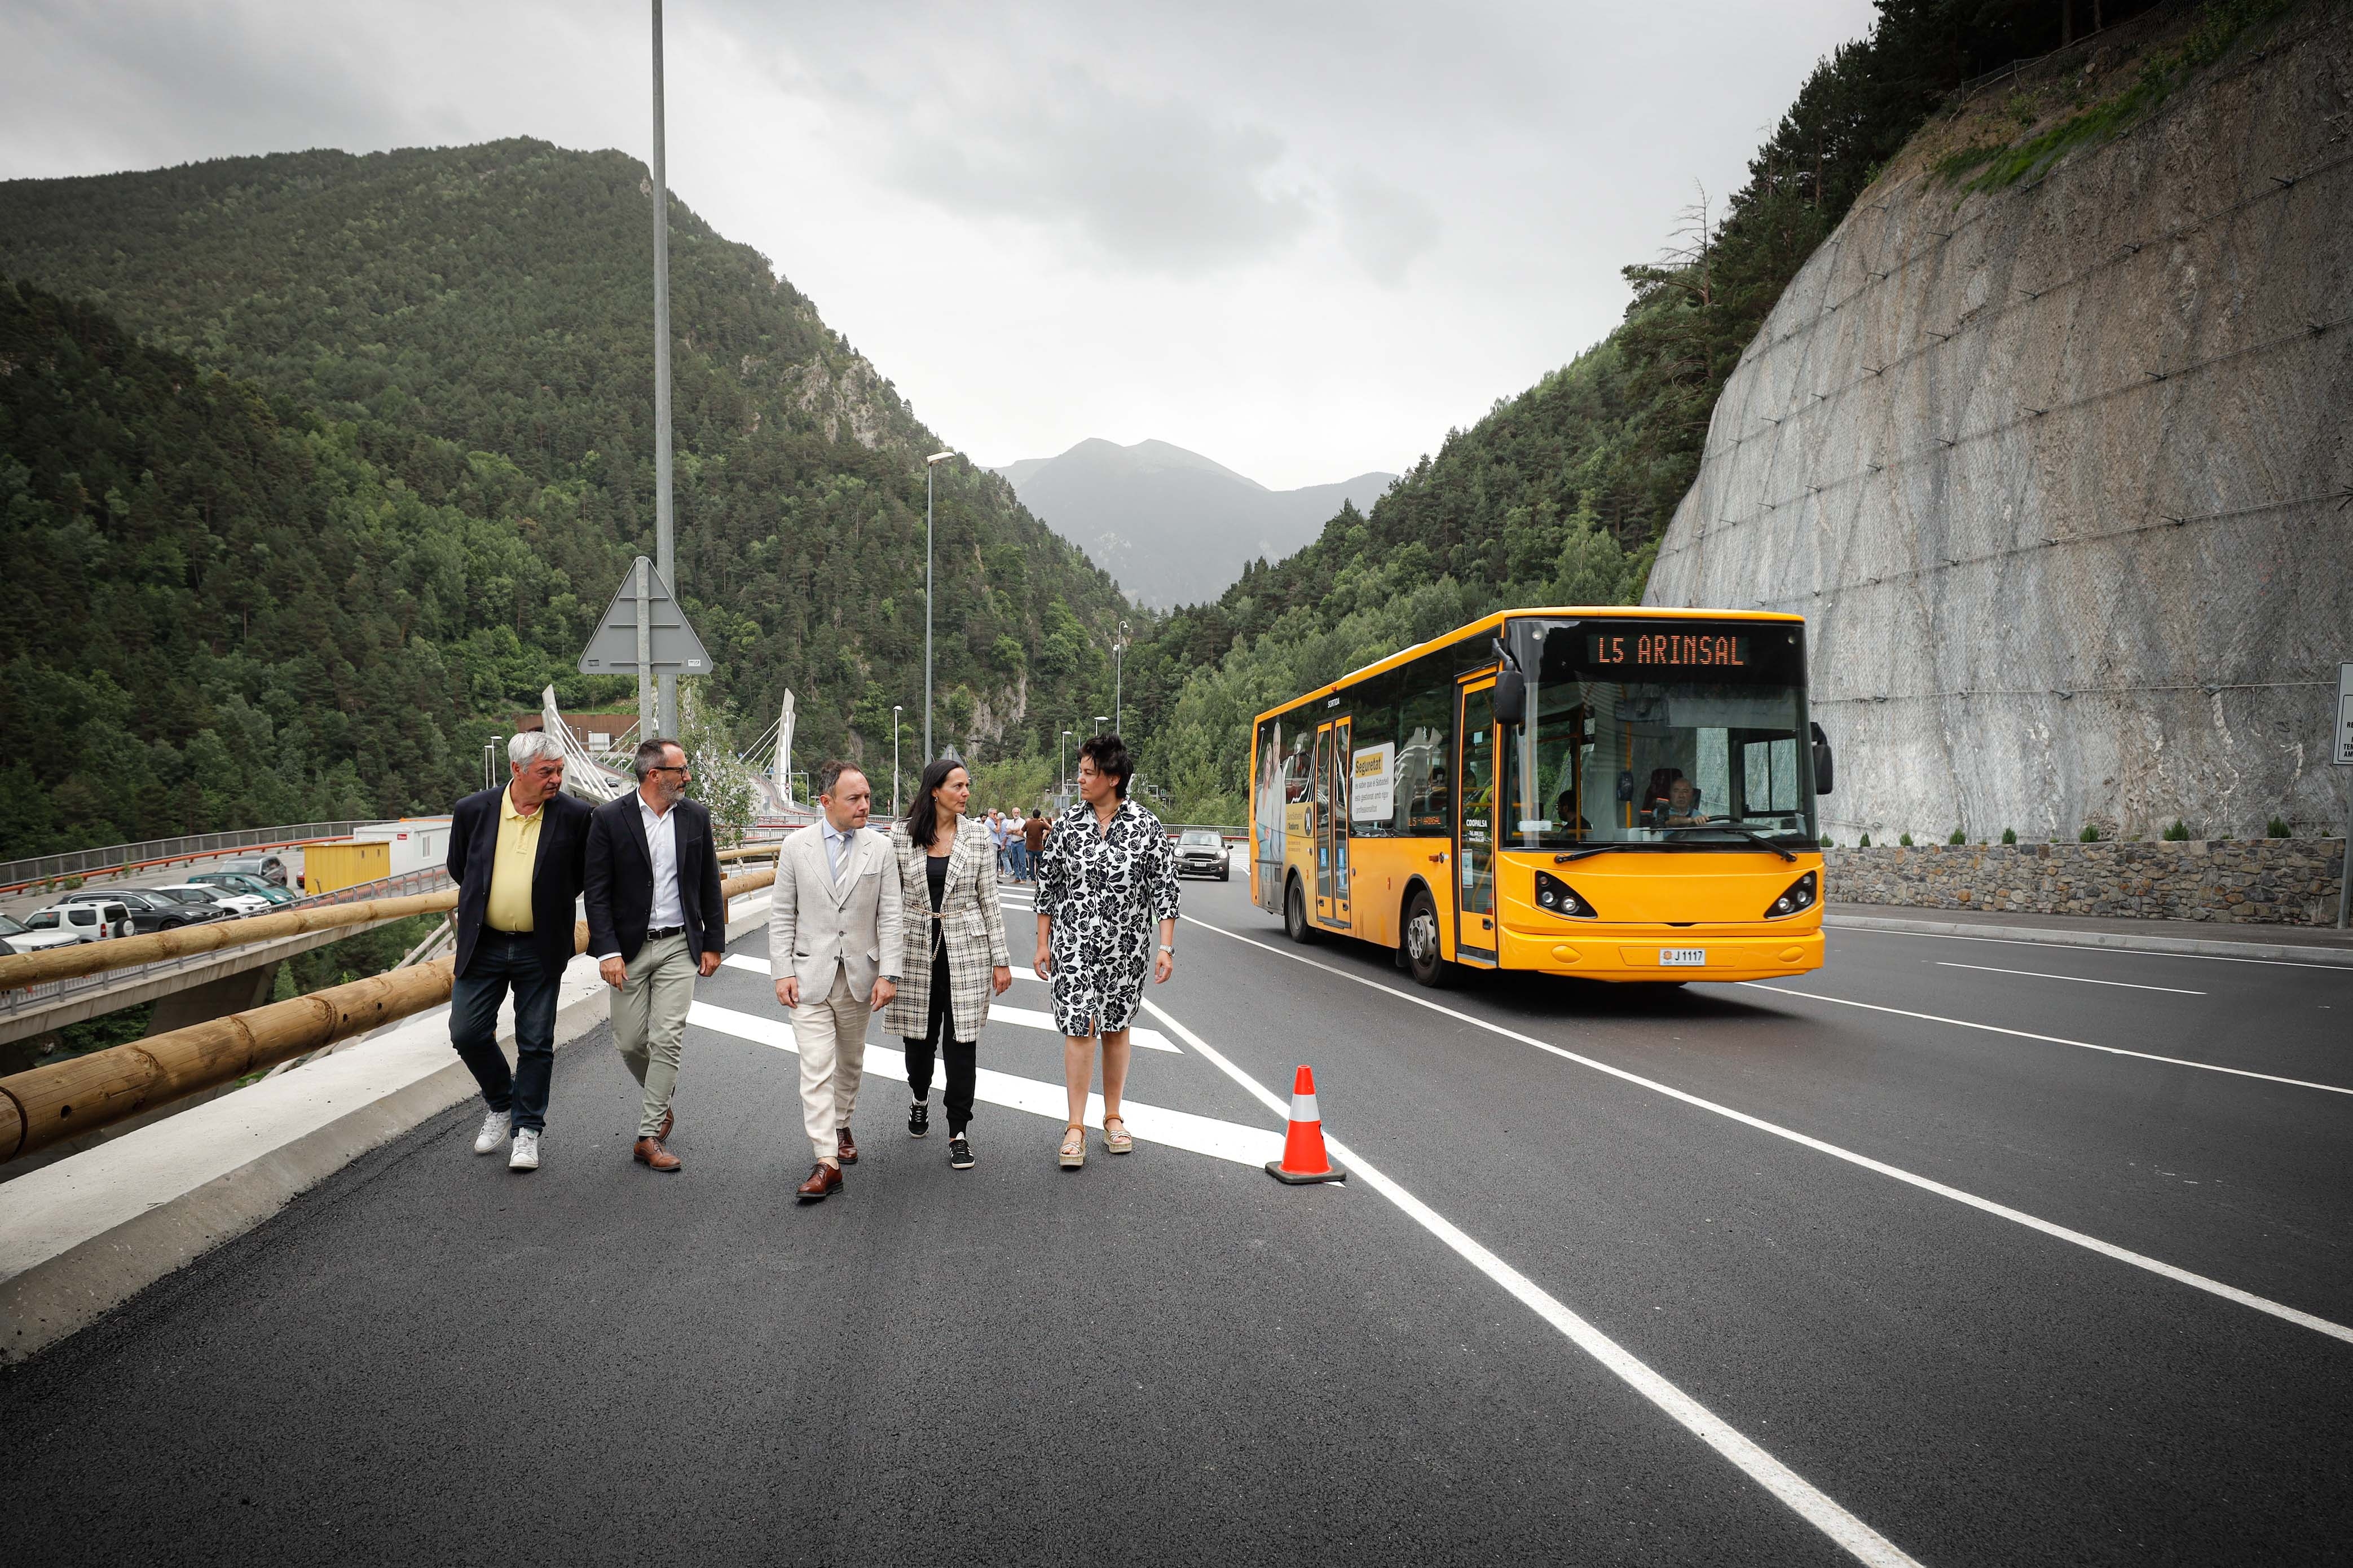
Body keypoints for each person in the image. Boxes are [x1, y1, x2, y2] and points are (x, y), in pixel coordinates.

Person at [444, 730, 593, 1172]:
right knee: (466, 1032)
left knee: (535, 1041)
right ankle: (501, 1102)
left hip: (540, 945)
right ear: (517, 770)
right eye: (547, 771)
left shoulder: (574, 815)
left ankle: (527, 1129)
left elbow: (581, 875)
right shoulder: (473, 811)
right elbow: (461, 867)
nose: (556, 779)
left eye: (560, 770)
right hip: (484, 942)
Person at [1034, 734, 1179, 1169]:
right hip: (1074, 942)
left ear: (1113, 778)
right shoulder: (1067, 826)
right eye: (1080, 770)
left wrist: (1165, 946)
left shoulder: (1145, 825)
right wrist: (1043, 942)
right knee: (1080, 1026)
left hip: (1127, 947)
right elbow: (1049, 884)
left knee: (1116, 1026)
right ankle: (1075, 1125)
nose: (1079, 778)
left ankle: (1112, 1115)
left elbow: (1164, 888)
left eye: (1088, 772)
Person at [585, 738, 728, 1173]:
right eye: (681, 771)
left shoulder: (695, 817)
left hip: (678, 945)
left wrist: (713, 942)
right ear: (654, 775)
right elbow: (597, 891)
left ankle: (648, 1135)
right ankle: (661, 1101)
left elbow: (708, 882)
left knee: (668, 1037)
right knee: (629, 1041)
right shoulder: (609, 818)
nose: (687, 778)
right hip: (627, 950)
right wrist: (607, 949)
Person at [769, 760, 902, 1203]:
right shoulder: (795, 847)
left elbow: (891, 915)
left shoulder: (880, 849)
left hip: (860, 976)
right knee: (816, 1066)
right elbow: (782, 913)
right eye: (855, 798)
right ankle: (826, 1159)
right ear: (826, 802)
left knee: (849, 1062)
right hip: (809, 974)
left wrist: (889, 973)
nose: (865, 805)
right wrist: (782, 970)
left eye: (866, 796)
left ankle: (842, 1120)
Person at [885, 759, 1012, 1170]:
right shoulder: (902, 836)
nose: (966, 793)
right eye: (958, 785)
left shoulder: (977, 836)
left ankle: (959, 1130)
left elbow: (989, 900)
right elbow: (890, 902)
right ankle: (919, 1096)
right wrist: (883, 959)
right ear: (935, 790)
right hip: (916, 948)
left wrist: (1001, 960)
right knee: (918, 1043)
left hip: (967, 950)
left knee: (962, 1044)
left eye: (968, 785)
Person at [1021, 808, 1047, 885]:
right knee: (1041, 863)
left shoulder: (1028, 823)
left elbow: (1021, 832)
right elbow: (1050, 828)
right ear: (1039, 815)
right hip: (1039, 847)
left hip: (1030, 846)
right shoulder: (1041, 823)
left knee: (1031, 863)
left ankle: (1033, 879)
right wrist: (1044, 820)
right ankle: (1042, 877)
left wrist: (1027, 837)